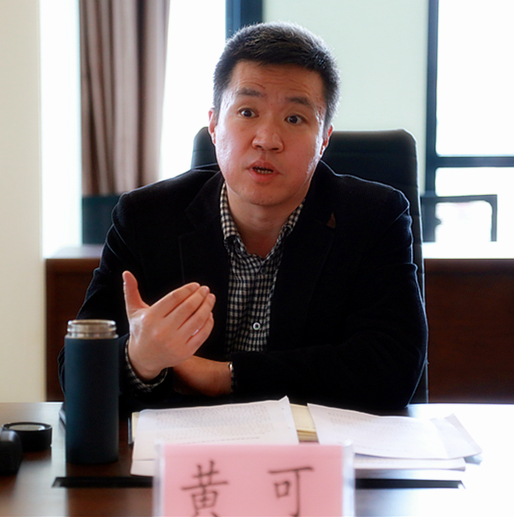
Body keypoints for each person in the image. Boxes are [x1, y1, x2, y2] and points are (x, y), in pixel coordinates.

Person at [59, 22, 427, 413]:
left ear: (324, 140)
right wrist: (140, 360)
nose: (267, 139)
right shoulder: (145, 217)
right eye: (247, 111)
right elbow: (77, 374)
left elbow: (393, 369)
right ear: (214, 124)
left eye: (294, 119)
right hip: (184, 449)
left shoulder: (374, 218)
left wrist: (226, 376)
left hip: (318, 449)